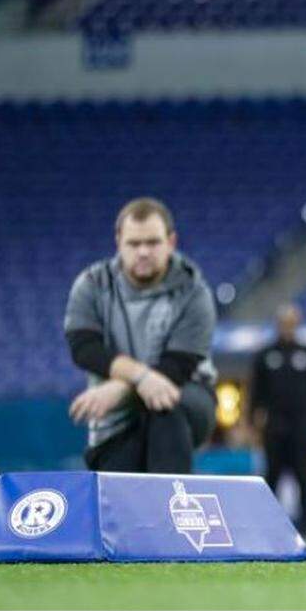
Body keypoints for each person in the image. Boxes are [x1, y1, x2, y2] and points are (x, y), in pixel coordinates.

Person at [65, 197, 217, 473]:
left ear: (171, 242)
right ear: (118, 243)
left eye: (153, 242)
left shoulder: (195, 292)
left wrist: (124, 387)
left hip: (186, 394)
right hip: (116, 413)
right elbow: (84, 348)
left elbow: (178, 365)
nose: (143, 252)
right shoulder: (91, 285)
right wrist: (140, 378)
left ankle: (170, 509)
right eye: (134, 244)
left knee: (165, 404)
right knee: (118, 480)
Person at [249, 303, 306, 533]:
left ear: (297, 324)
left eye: (291, 323)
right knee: (272, 474)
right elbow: (255, 393)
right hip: (274, 427)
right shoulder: (265, 354)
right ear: (277, 324)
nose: (287, 327)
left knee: (303, 475)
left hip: (303, 426)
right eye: (284, 323)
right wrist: (252, 423)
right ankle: (270, 524)